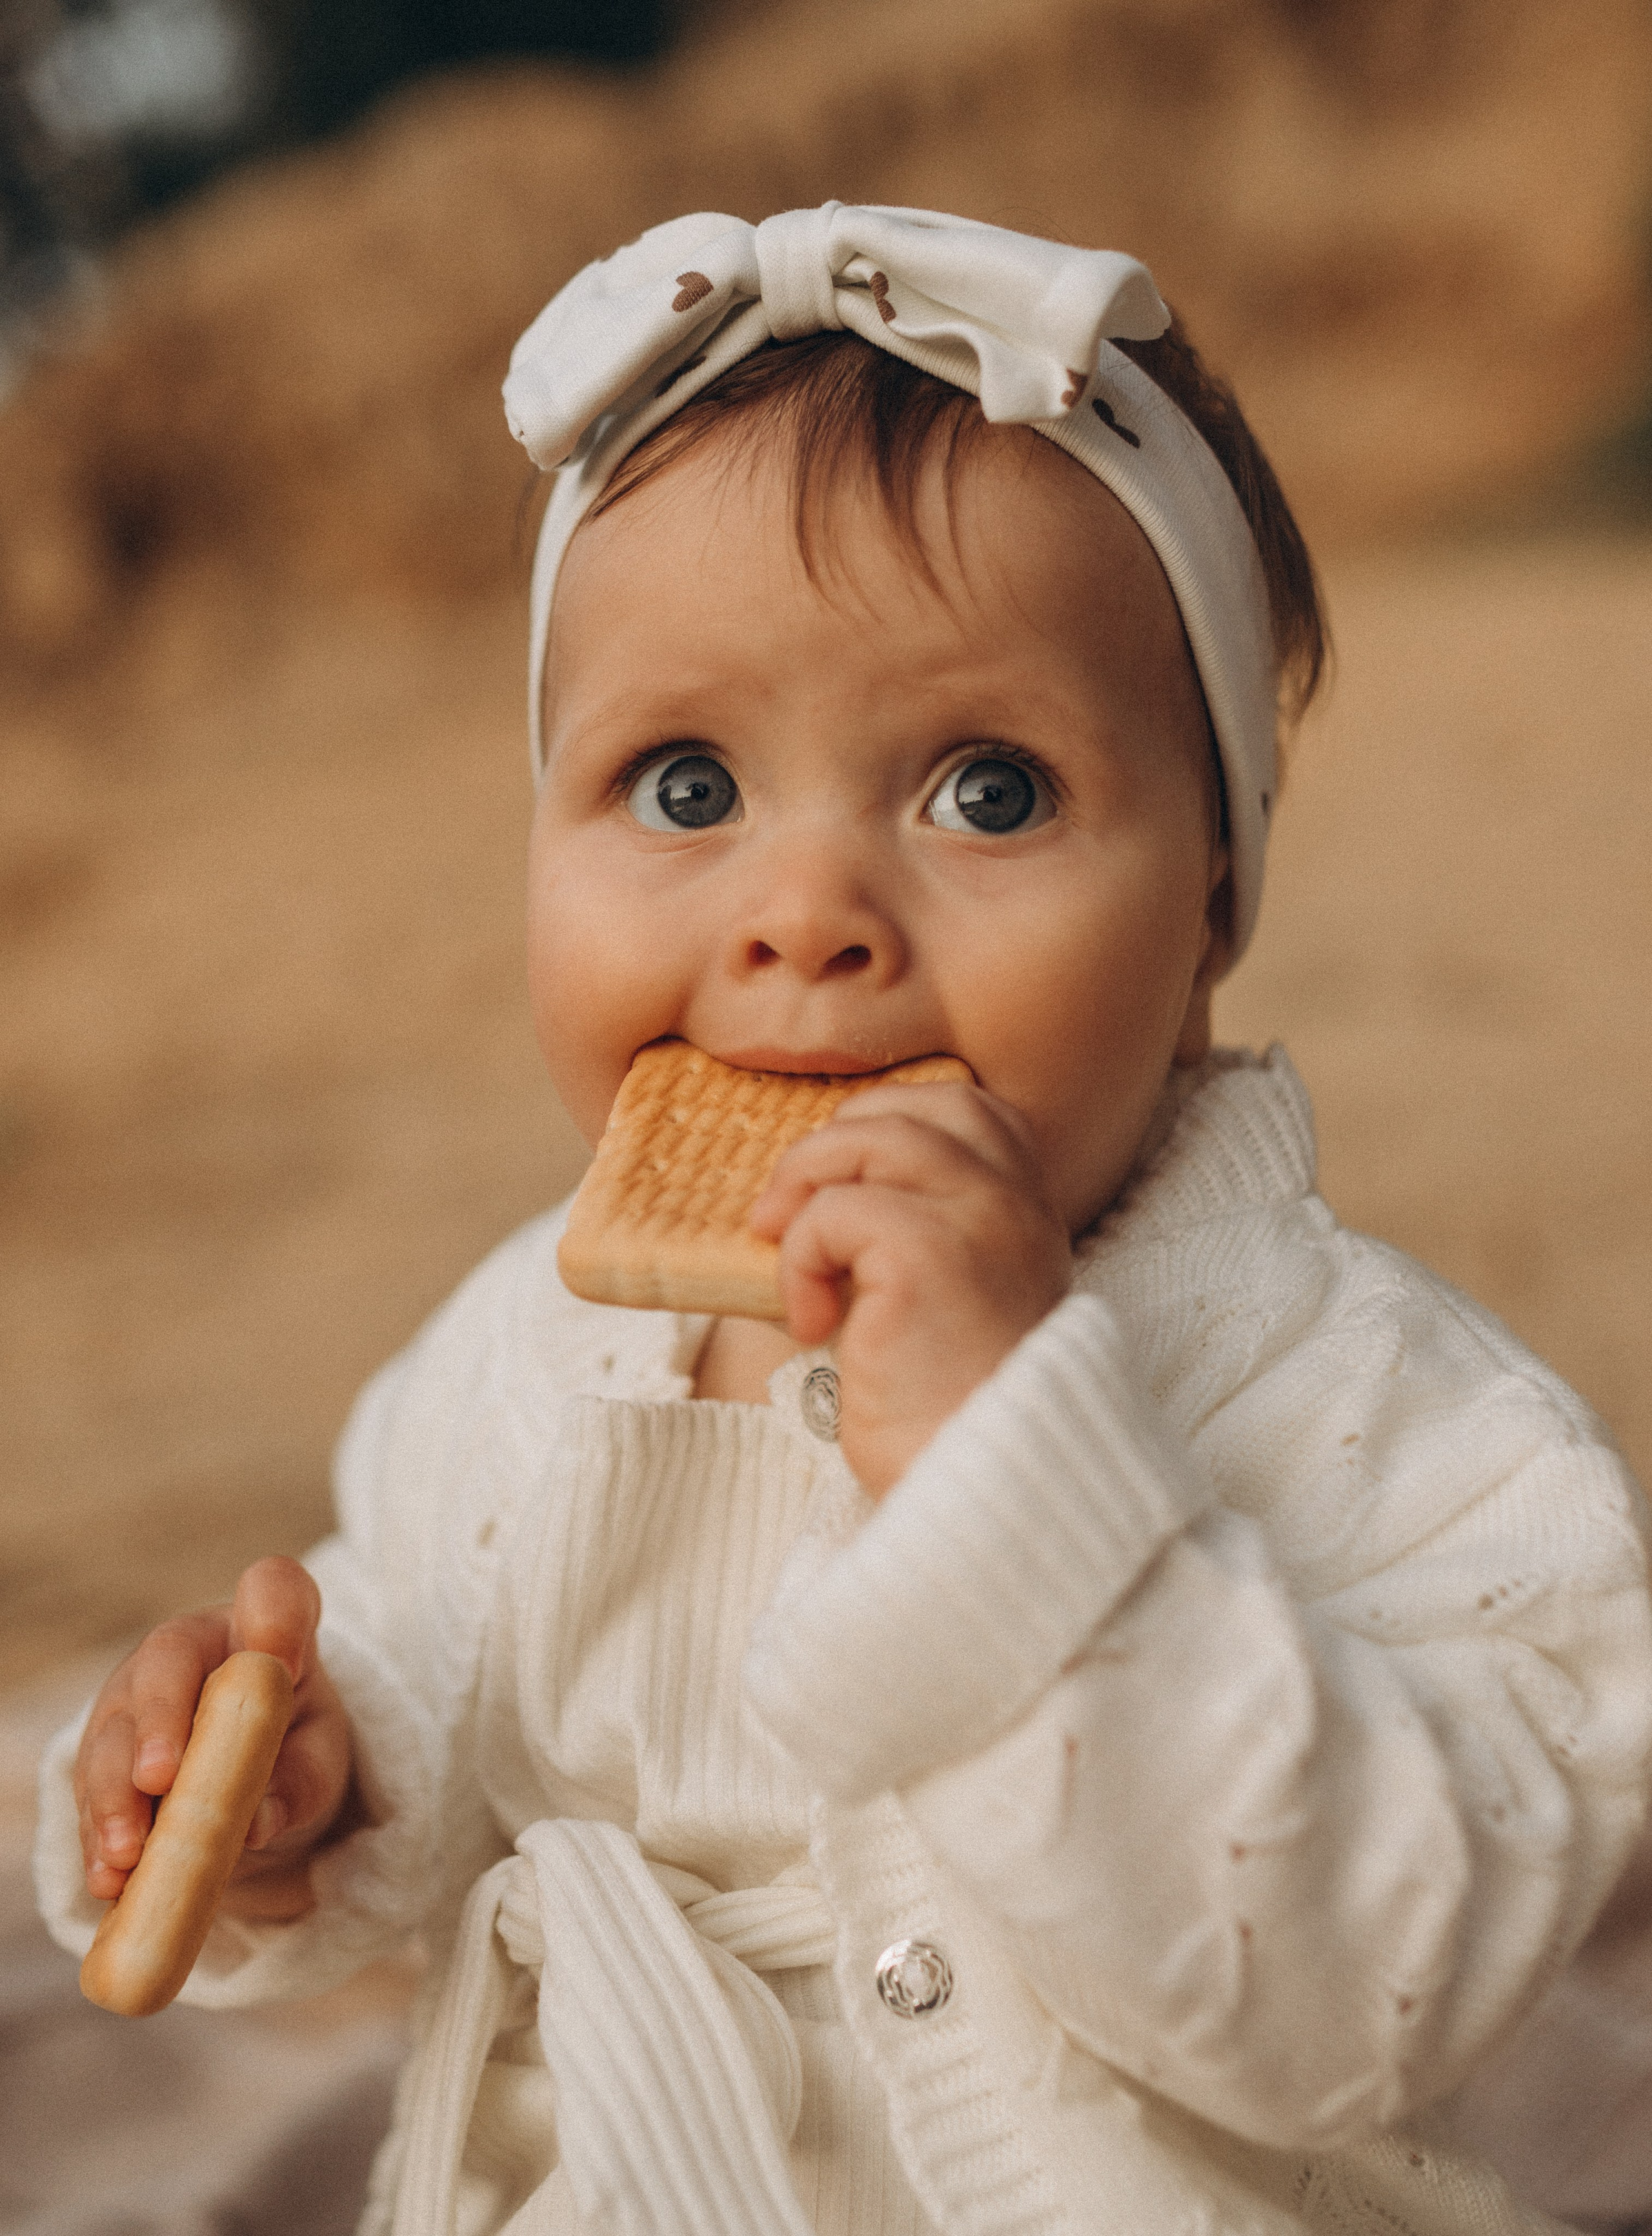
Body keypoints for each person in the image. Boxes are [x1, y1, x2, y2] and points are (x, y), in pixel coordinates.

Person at [36, 205, 1652, 2236]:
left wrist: (1011, 1469)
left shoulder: (1380, 1413)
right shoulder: (520, 1345)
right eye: (686, 786)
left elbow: (1376, 1985)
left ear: (1216, 900)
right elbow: (444, 1661)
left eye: (987, 790)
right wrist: (299, 1789)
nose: (805, 917)